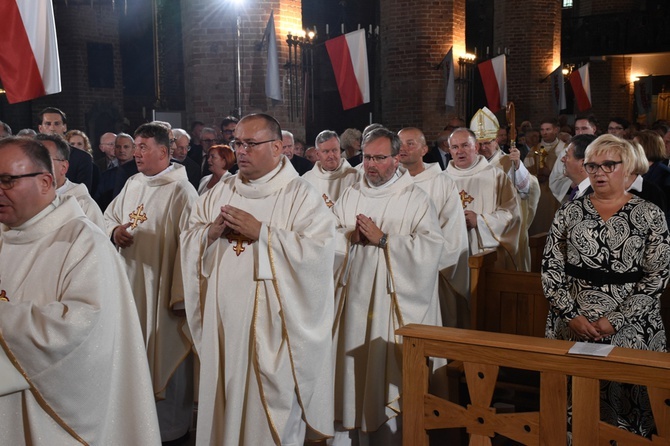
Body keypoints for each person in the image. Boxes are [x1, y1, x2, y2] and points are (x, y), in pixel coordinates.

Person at [180, 113, 335, 445]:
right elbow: (189, 236)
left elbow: (319, 256)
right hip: (222, 328)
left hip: (272, 333)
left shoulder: (301, 196)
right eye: (238, 143)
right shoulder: (219, 191)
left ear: (278, 147)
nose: (242, 151)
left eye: (251, 143)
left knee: (265, 422)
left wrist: (263, 233)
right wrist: (209, 233)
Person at [0, 137, 161, 445]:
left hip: (54, 418)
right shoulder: (5, 234)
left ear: (46, 181)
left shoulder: (83, 243)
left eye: (7, 180)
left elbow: (80, 329)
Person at [542, 133, 670, 438]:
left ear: (628, 168)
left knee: (631, 412)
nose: (599, 172)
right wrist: (570, 314)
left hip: (632, 326)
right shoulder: (569, 211)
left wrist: (615, 320)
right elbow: (550, 269)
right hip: (572, 323)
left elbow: (657, 278)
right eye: (592, 165)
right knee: (572, 410)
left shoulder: (650, 214)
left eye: (608, 165)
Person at [331, 127, 445, 445]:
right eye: (367, 157)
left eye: (380, 158)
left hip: (392, 304)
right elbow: (326, 238)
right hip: (352, 302)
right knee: (351, 372)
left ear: (397, 159)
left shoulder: (415, 198)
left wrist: (384, 240)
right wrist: (347, 236)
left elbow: (431, 247)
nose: (370, 165)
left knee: (387, 378)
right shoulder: (351, 194)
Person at [104, 122, 198, 442]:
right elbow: (108, 218)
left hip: (164, 296)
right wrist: (114, 232)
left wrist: (182, 297)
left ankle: (171, 430)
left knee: (167, 357)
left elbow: (191, 247)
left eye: (144, 147)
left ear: (163, 151)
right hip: (130, 289)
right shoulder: (133, 183)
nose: (137, 153)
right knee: (134, 358)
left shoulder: (182, 192)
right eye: (136, 147)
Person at [398, 126, 470, 328]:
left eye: (410, 143)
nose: (403, 148)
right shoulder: (392, 183)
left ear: (423, 150)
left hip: (431, 270)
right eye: (399, 144)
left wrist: (425, 260)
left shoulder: (442, 183)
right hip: (397, 266)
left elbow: (453, 232)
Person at [470, 107, 539, 271]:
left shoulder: (507, 162)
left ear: (496, 141)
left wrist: (517, 166)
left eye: (487, 143)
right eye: (479, 144)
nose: (483, 148)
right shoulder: (469, 166)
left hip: (503, 228)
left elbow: (527, 190)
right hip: (476, 227)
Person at [447, 127, 521, 270]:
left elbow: (512, 216)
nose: (459, 151)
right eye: (454, 147)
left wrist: (480, 221)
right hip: (451, 254)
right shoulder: (442, 180)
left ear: (475, 147)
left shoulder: (496, 177)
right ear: (449, 150)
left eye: (465, 145)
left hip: (486, 253)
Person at [35, 134, 105, 230]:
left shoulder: (84, 205)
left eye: (45, 160)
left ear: (63, 167)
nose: (35, 167)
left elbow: (98, 243)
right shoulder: (22, 201)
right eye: (32, 160)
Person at [37, 107, 95, 193]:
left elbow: (82, 193)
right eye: (48, 124)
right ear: (40, 128)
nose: (52, 128)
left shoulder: (82, 157)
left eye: (57, 124)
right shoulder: (31, 155)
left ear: (64, 127)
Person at [525, 117, 564, 234]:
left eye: (548, 129)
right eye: (542, 130)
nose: (544, 133)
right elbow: (525, 171)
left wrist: (551, 173)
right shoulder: (534, 150)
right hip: (538, 194)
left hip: (557, 194)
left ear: (556, 130)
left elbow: (570, 173)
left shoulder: (564, 149)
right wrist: (536, 176)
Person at [303, 130, 360, 206]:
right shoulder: (307, 180)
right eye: (326, 151)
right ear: (317, 154)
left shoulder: (355, 176)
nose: (331, 155)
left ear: (340, 150)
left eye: (334, 150)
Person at [95, 132, 138, 211]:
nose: (122, 150)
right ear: (114, 150)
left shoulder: (141, 173)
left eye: (126, 147)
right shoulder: (106, 176)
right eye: (118, 147)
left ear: (134, 149)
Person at [560, 134, 597, 201]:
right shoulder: (578, 191)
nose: (562, 159)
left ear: (583, 164)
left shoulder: (594, 198)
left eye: (567, 155)